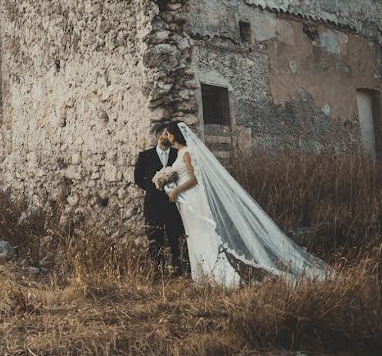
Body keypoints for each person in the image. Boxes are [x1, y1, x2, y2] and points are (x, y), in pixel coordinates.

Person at [153, 121, 332, 288]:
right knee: (194, 234)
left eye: (168, 133)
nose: (166, 136)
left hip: (194, 199)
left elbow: (195, 179)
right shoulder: (179, 153)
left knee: (204, 233)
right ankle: (201, 274)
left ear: (175, 135)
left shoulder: (187, 152)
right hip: (186, 203)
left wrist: (176, 190)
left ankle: (220, 275)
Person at [133, 121, 189, 277]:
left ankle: (179, 270)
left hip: (174, 204)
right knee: (154, 238)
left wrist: (172, 190)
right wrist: (154, 189)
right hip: (153, 204)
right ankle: (157, 273)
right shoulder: (145, 156)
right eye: (165, 133)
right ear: (158, 136)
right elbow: (138, 178)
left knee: (176, 237)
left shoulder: (176, 154)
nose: (168, 136)